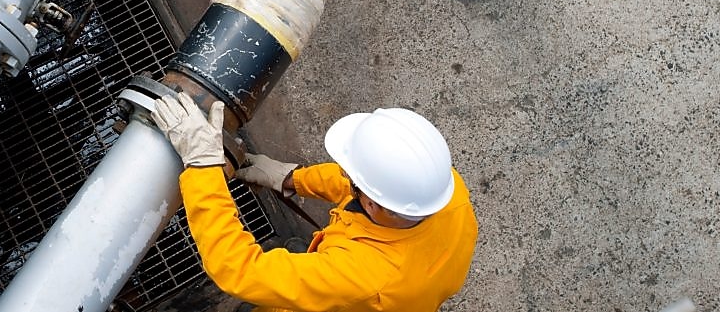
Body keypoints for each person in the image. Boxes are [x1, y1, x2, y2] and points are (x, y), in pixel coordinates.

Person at [150, 93, 477, 311]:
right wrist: (290, 179)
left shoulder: (360, 276)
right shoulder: (443, 190)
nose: (346, 177)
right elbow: (356, 184)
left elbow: (239, 270)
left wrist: (202, 167)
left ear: (374, 203)